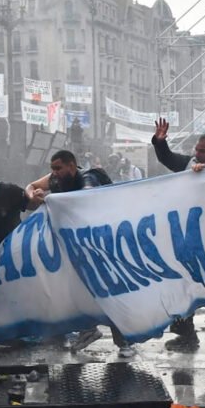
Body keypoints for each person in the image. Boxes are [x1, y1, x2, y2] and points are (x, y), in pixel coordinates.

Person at [26, 151, 135, 358]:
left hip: (101, 245)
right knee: (76, 290)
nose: (54, 173)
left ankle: (124, 341)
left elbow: (84, 199)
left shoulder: (88, 178)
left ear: (72, 166)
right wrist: (33, 195)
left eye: (58, 168)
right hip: (75, 246)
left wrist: (49, 201)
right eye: (52, 169)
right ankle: (88, 329)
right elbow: (32, 187)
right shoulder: (55, 179)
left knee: (108, 292)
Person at [151, 119, 205, 349]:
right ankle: (186, 334)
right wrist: (159, 141)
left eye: (201, 150)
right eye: (195, 150)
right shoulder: (189, 164)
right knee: (182, 284)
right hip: (191, 239)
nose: (196, 154)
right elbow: (167, 157)